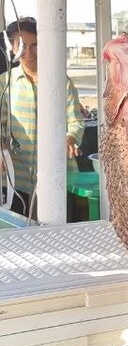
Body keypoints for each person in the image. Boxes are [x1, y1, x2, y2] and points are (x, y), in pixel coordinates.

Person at [2, 17, 85, 215]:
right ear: (12, 48)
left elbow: (76, 121)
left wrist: (70, 138)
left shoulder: (61, 82)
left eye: (35, 45)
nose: (29, 52)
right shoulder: (4, 83)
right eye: (22, 45)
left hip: (57, 177)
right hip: (17, 180)